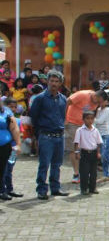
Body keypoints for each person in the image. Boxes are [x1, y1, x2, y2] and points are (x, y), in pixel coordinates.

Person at [29, 70, 69, 200]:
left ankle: (55, 188)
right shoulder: (40, 98)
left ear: (60, 83)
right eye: (51, 81)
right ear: (47, 81)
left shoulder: (63, 99)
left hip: (59, 136)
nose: (54, 83)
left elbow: (62, 116)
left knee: (57, 164)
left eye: (57, 81)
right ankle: (41, 189)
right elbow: (34, 117)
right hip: (46, 136)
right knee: (44, 164)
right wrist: (38, 133)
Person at [66, 88, 101, 183]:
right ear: (94, 95)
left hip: (84, 125)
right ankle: (76, 174)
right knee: (74, 148)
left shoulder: (97, 102)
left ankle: (84, 173)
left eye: (98, 102)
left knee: (85, 148)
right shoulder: (82, 94)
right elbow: (67, 102)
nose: (96, 103)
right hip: (72, 123)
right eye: (96, 100)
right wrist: (64, 118)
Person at [74, 111, 102, 195]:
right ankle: (84, 188)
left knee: (93, 172)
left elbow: (98, 143)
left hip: (93, 153)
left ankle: (92, 188)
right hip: (85, 153)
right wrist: (77, 152)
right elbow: (76, 142)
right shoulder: (80, 130)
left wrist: (98, 153)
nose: (90, 120)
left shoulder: (95, 130)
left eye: (91, 118)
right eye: (87, 118)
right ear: (83, 119)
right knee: (84, 172)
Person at [0, 97, 22, 201]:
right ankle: (3, 190)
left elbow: (17, 132)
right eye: (11, 107)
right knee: (5, 170)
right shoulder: (7, 117)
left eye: (15, 107)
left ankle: (9, 189)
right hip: (8, 146)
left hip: (12, 149)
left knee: (9, 168)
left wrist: (18, 145)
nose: (13, 109)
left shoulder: (16, 119)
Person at [94, 92, 109, 183]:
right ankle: (106, 175)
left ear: (107, 102)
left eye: (101, 101)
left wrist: (90, 118)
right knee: (103, 156)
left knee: (104, 154)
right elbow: (96, 123)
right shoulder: (99, 109)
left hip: (107, 134)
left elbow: (99, 121)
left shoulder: (108, 110)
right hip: (100, 134)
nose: (100, 103)